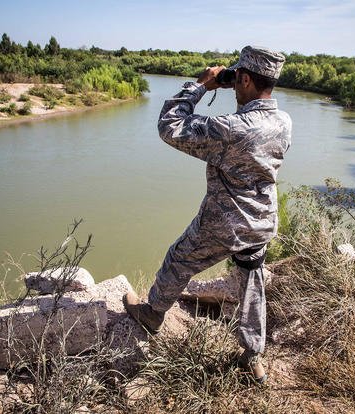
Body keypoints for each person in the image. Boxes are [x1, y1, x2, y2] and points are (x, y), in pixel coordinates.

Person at [123, 46, 292, 383]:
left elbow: (169, 125)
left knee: (180, 259)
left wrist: (201, 85)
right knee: (251, 280)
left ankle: (152, 314)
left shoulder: (232, 128)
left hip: (224, 222)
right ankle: (253, 355)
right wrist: (236, 86)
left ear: (243, 78)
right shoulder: (283, 121)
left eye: (238, 77)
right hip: (261, 220)